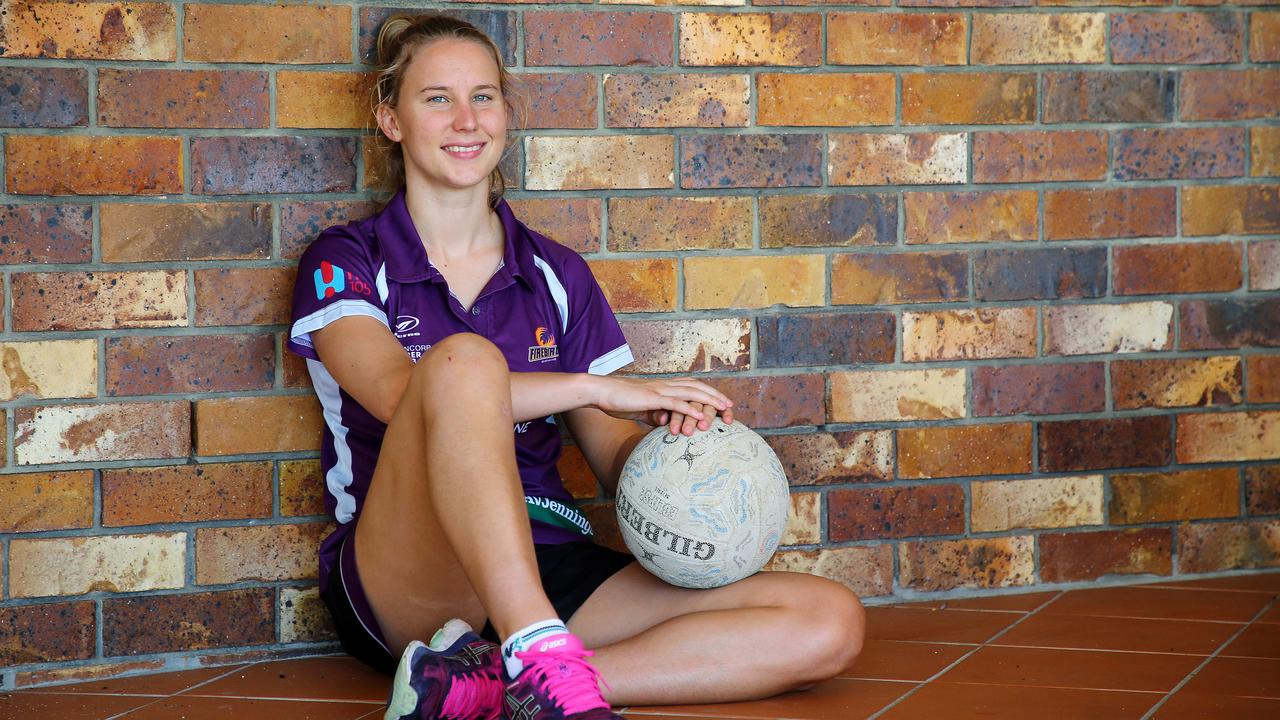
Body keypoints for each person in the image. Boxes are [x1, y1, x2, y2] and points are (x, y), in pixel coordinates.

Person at [287, 14, 865, 720]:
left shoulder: (556, 273)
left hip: (547, 553)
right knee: (465, 363)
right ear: (391, 119)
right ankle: (538, 652)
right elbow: (394, 392)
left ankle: (497, 688)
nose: (466, 119)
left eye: (484, 96)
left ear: (505, 112)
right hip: (408, 574)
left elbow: (614, 456)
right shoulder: (346, 259)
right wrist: (599, 386)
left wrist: (680, 455)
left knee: (825, 620)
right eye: (437, 98)